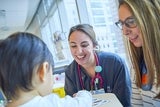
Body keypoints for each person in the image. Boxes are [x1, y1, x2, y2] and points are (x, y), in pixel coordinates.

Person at [0, 32, 92, 107]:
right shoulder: (51, 103)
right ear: (42, 71)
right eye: (51, 72)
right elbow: (83, 102)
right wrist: (83, 93)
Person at [64, 24, 131, 107]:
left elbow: (124, 102)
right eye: (73, 46)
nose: (79, 51)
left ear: (94, 45)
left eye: (84, 45)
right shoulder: (70, 73)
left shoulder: (114, 63)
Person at [115, 0, 160, 106]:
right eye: (122, 24)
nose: (125, 31)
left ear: (151, 19)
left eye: (131, 22)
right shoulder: (137, 65)